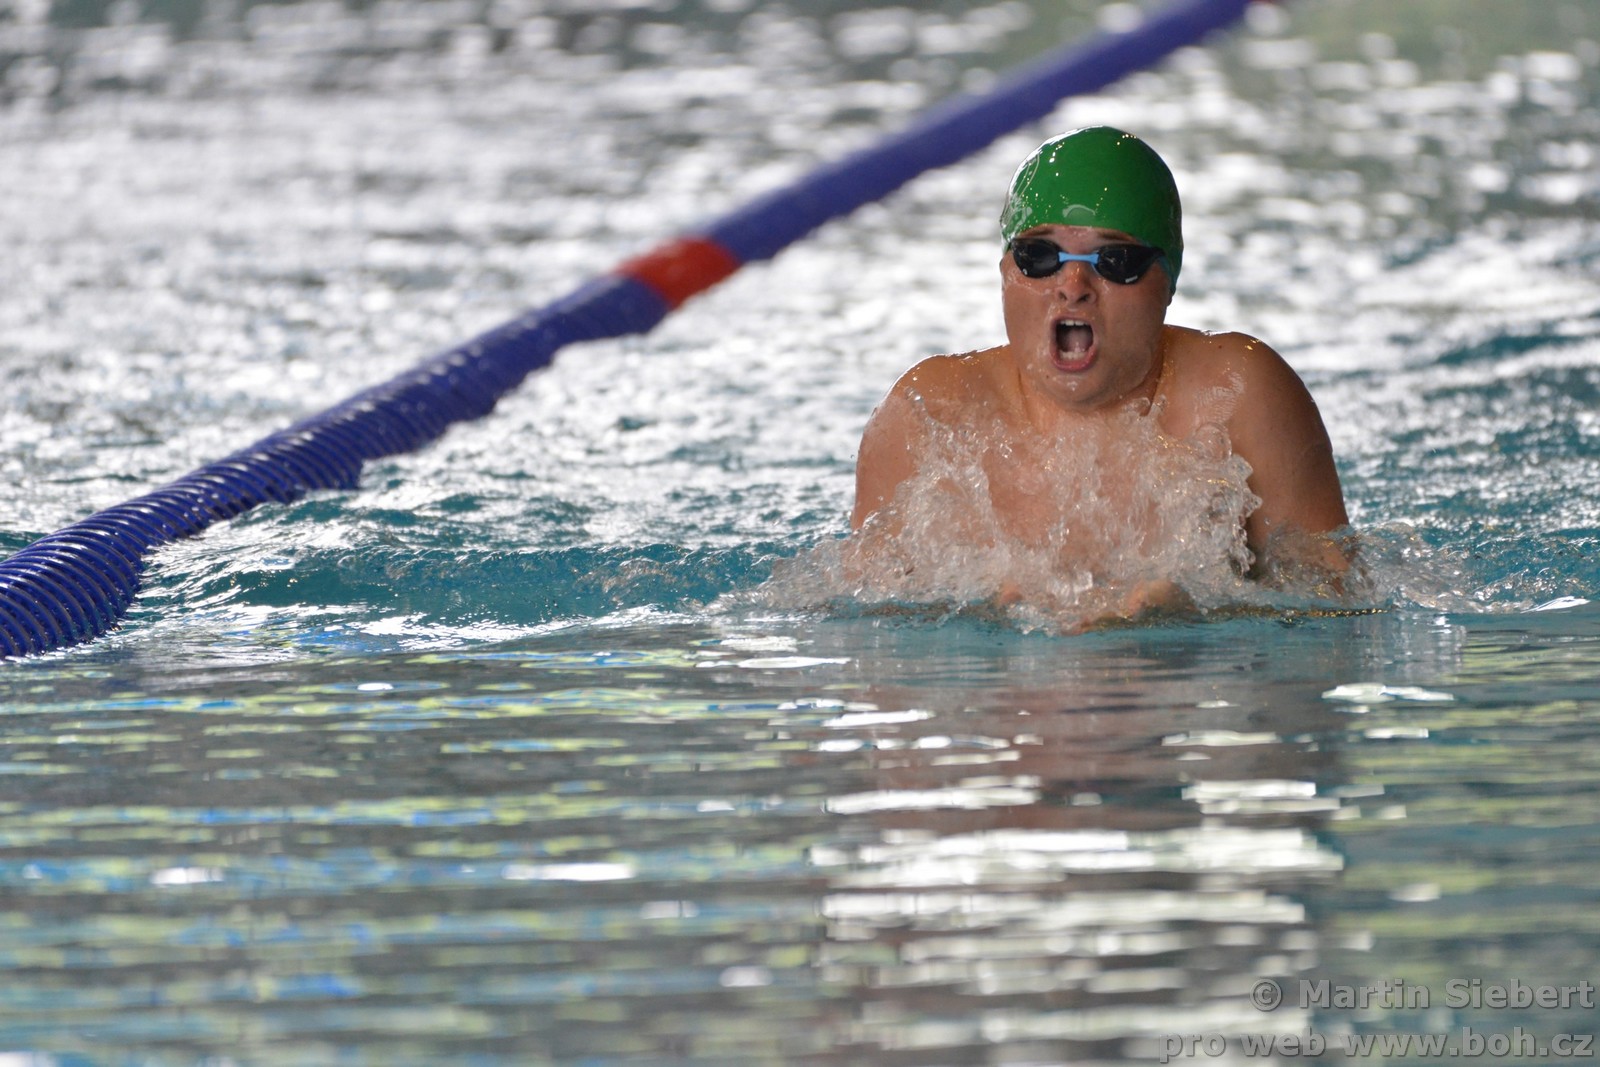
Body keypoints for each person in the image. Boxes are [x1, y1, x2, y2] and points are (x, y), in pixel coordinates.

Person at [847, 126, 1348, 628]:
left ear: (1167, 282)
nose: (1073, 286)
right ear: (1005, 273)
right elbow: (861, 620)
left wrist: (1192, 616)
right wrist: (978, 616)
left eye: (1115, 261)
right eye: (1039, 257)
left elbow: (1339, 605)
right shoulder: (930, 416)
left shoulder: (1236, 394)